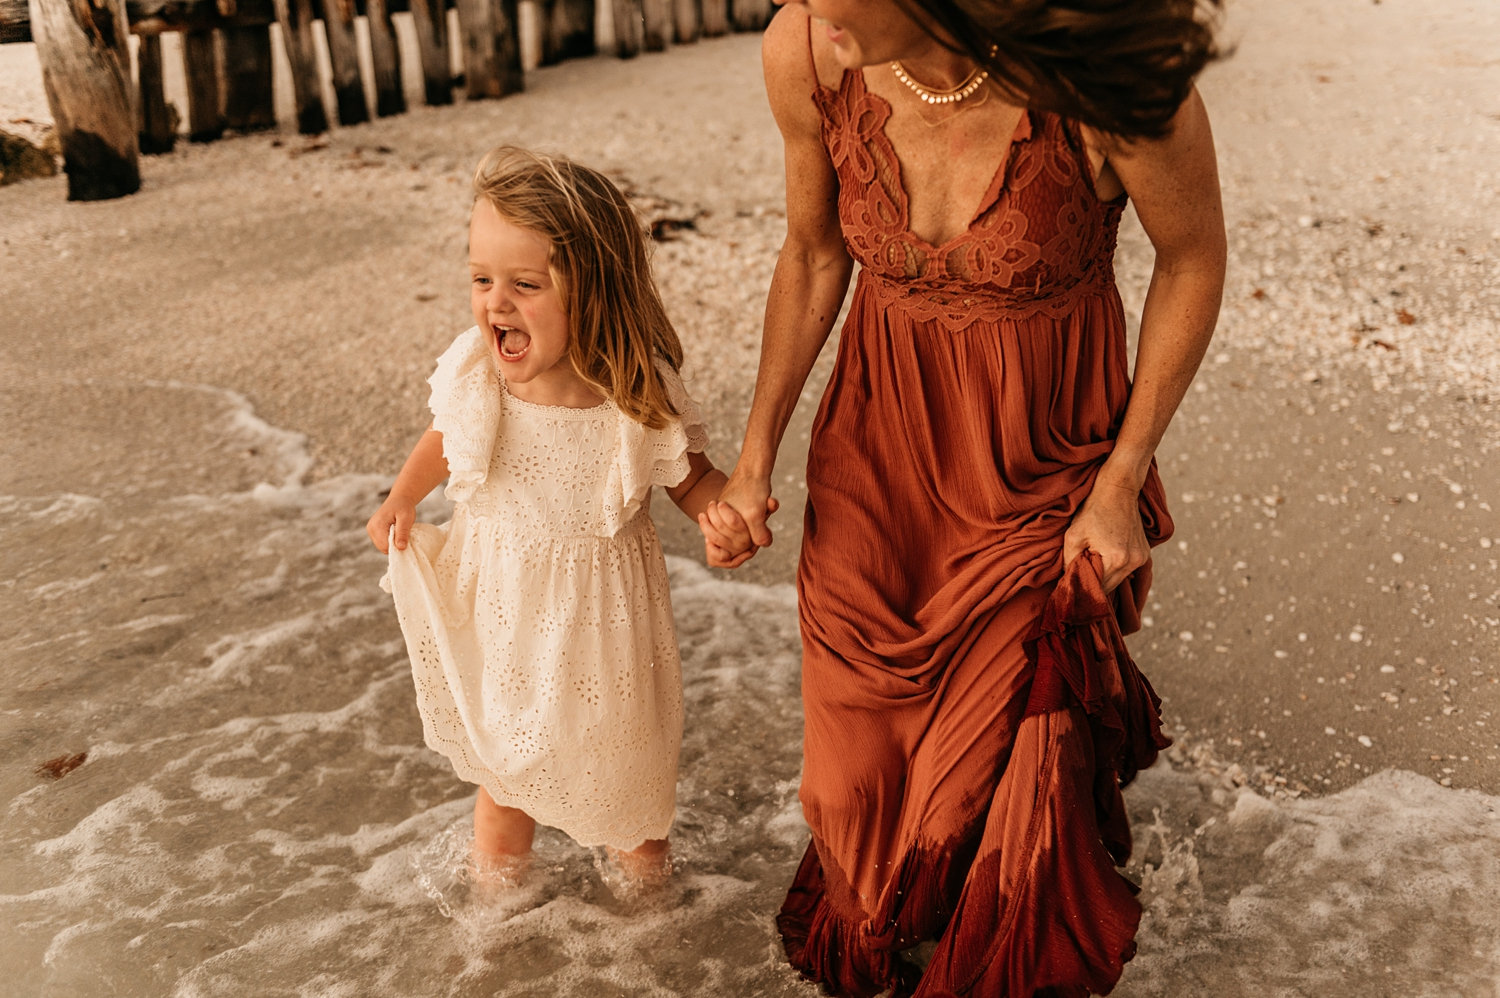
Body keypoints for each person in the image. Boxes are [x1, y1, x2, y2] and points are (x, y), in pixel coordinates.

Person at [699, 0, 1227, 993]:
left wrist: (1120, 480)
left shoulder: (1108, 83)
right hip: (874, 464)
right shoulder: (807, 51)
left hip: (1040, 466)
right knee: (857, 807)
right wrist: (756, 455)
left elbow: (1194, 257)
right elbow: (815, 253)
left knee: (986, 807)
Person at [368, 146, 753, 893]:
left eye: (525, 284)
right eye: (482, 280)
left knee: (633, 803)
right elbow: (446, 437)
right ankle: (493, 921)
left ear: (594, 289)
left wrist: (722, 516)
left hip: (608, 639)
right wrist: (402, 496)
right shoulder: (481, 377)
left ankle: (651, 933)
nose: (495, 304)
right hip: (506, 625)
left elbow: (692, 478)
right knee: (505, 786)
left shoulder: (636, 390)